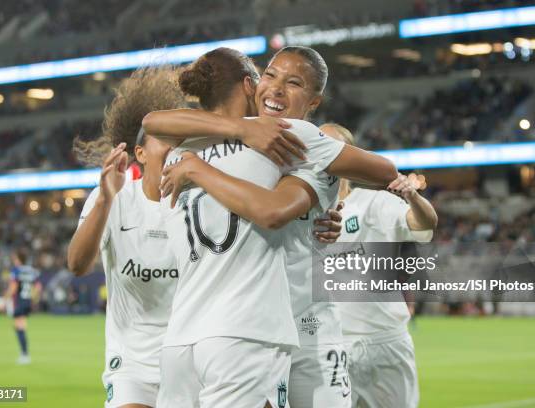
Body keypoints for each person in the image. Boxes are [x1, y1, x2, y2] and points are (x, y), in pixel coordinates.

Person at [145, 46, 397, 408]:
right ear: (251, 85)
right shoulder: (289, 134)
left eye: (293, 82)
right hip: (250, 327)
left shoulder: (183, 145)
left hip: (193, 333)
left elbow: (152, 122)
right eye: (271, 76)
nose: (276, 89)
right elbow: (274, 210)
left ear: (314, 100)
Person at [67, 68, 186, 408]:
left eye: (179, 140)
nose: (175, 147)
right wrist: (105, 199)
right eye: (164, 138)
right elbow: (77, 264)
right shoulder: (115, 200)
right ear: (141, 154)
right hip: (131, 365)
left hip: (188, 362)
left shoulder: (199, 205)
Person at [321, 123, 438, 408]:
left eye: (329, 147)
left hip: (383, 343)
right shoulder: (299, 210)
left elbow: (424, 224)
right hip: (329, 347)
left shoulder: (373, 202)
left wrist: (412, 196)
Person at [4, 248, 41, 365]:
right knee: (20, 326)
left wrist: (4, 300)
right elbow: (38, 287)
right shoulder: (32, 271)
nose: (13, 260)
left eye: (14, 258)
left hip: (19, 301)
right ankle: (24, 354)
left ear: (18, 259)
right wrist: (34, 299)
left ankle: (24, 355)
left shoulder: (16, 271)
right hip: (27, 301)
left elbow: (13, 287)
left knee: (19, 327)